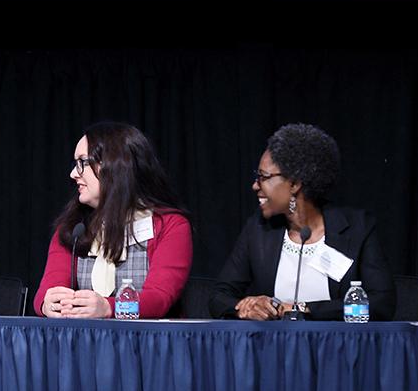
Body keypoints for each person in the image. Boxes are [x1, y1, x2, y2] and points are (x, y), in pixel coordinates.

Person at [209, 123, 395, 320]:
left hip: (339, 347)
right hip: (275, 348)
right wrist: (245, 308)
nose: (255, 185)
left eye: (263, 177)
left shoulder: (358, 228)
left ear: (295, 184)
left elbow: (381, 304)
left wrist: (304, 309)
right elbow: (218, 297)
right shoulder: (258, 230)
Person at [35, 122, 192, 318]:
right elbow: (48, 289)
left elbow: (160, 298)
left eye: (82, 162)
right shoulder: (72, 227)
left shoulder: (169, 225)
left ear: (116, 166)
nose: (73, 174)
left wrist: (109, 307)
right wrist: (48, 304)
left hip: (147, 344)